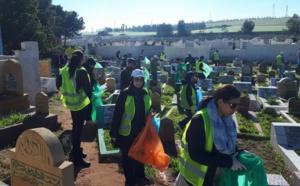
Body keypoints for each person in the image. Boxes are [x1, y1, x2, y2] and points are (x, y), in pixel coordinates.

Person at [175, 84, 246, 186]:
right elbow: (196, 154)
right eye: (233, 105)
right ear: (220, 102)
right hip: (194, 180)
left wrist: (240, 152)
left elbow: (228, 144)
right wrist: (228, 162)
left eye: (237, 105)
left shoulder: (227, 120)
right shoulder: (199, 120)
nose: (235, 109)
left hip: (212, 178)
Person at [110, 69, 152, 186]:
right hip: (127, 132)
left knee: (140, 154)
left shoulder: (144, 93)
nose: (139, 82)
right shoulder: (125, 94)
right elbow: (117, 114)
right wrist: (113, 133)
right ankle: (129, 179)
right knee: (127, 157)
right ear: (132, 80)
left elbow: (148, 109)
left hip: (141, 131)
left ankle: (140, 175)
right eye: (136, 79)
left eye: (141, 80)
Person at [56, 50, 92, 167]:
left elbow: (58, 84)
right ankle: (77, 157)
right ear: (82, 59)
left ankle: (76, 150)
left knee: (76, 129)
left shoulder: (65, 70)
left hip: (71, 104)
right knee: (78, 130)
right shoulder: (81, 71)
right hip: (80, 105)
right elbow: (88, 90)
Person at [82, 58, 97, 122]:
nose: (93, 67)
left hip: (83, 90)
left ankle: (85, 117)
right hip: (86, 90)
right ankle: (88, 118)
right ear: (90, 64)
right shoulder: (86, 70)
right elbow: (89, 79)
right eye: (93, 65)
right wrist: (94, 81)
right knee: (88, 104)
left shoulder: (84, 68)